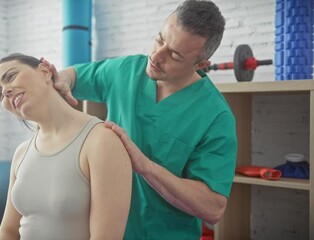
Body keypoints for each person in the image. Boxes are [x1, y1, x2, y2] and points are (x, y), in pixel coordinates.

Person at [42, 0, 237, 239]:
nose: (156, 55)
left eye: (174, 55)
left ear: (200, 65)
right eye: (159, 39)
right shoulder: (126, 70)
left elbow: (213, 207)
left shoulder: (216, 116)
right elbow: (73, 76)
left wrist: (146, 167)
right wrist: (61, 78)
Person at [0, 53, 132, 240]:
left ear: (45, 71)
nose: (5, 91)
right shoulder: (21, 153)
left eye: (10, 77)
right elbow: (8, 230)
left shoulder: (101, 141)